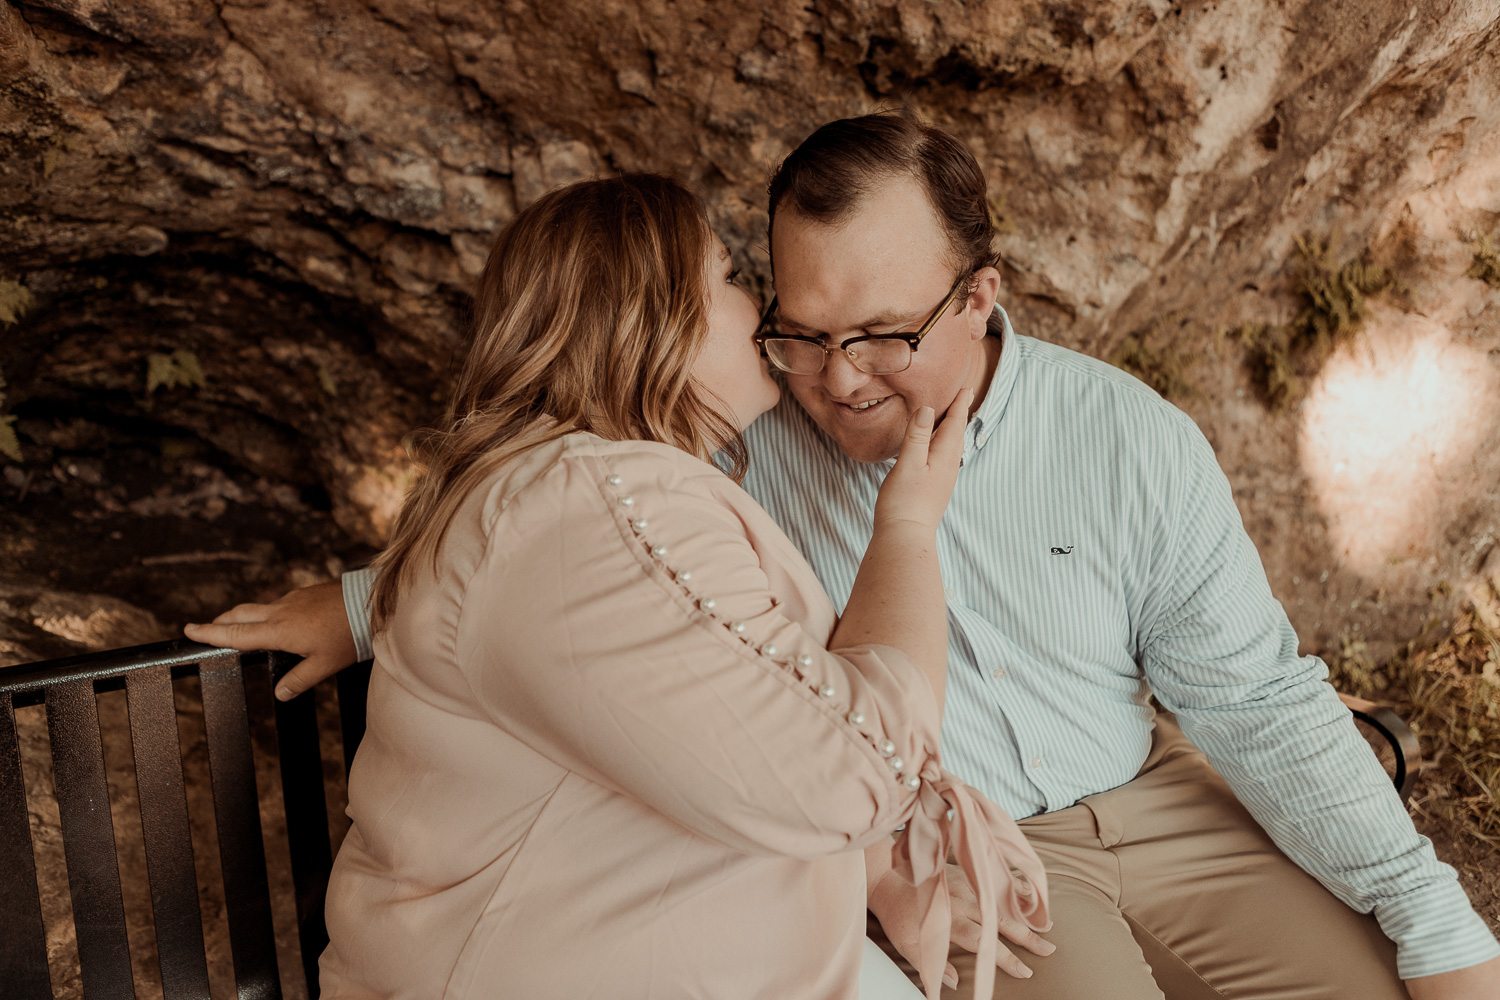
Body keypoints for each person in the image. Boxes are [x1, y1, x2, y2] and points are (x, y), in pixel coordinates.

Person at [191, 115, 1500, 999]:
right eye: (800, 331)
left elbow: (1259, 699)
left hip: (1154, 793)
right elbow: (575, 549)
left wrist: (1432, 915)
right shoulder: (735, 443)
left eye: (879, 335)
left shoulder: (1125, 437)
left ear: (981, 296)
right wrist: (372, 599)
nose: (834, 379)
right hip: (970, 843)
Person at [269, 172, 1049, 1000]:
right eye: (729, 278)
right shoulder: (591, 503)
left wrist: (874, 879)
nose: (763, 315)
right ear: (650, 321)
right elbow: (854, 774)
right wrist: (907, 530)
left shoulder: (564, 497)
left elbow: (701, 717)